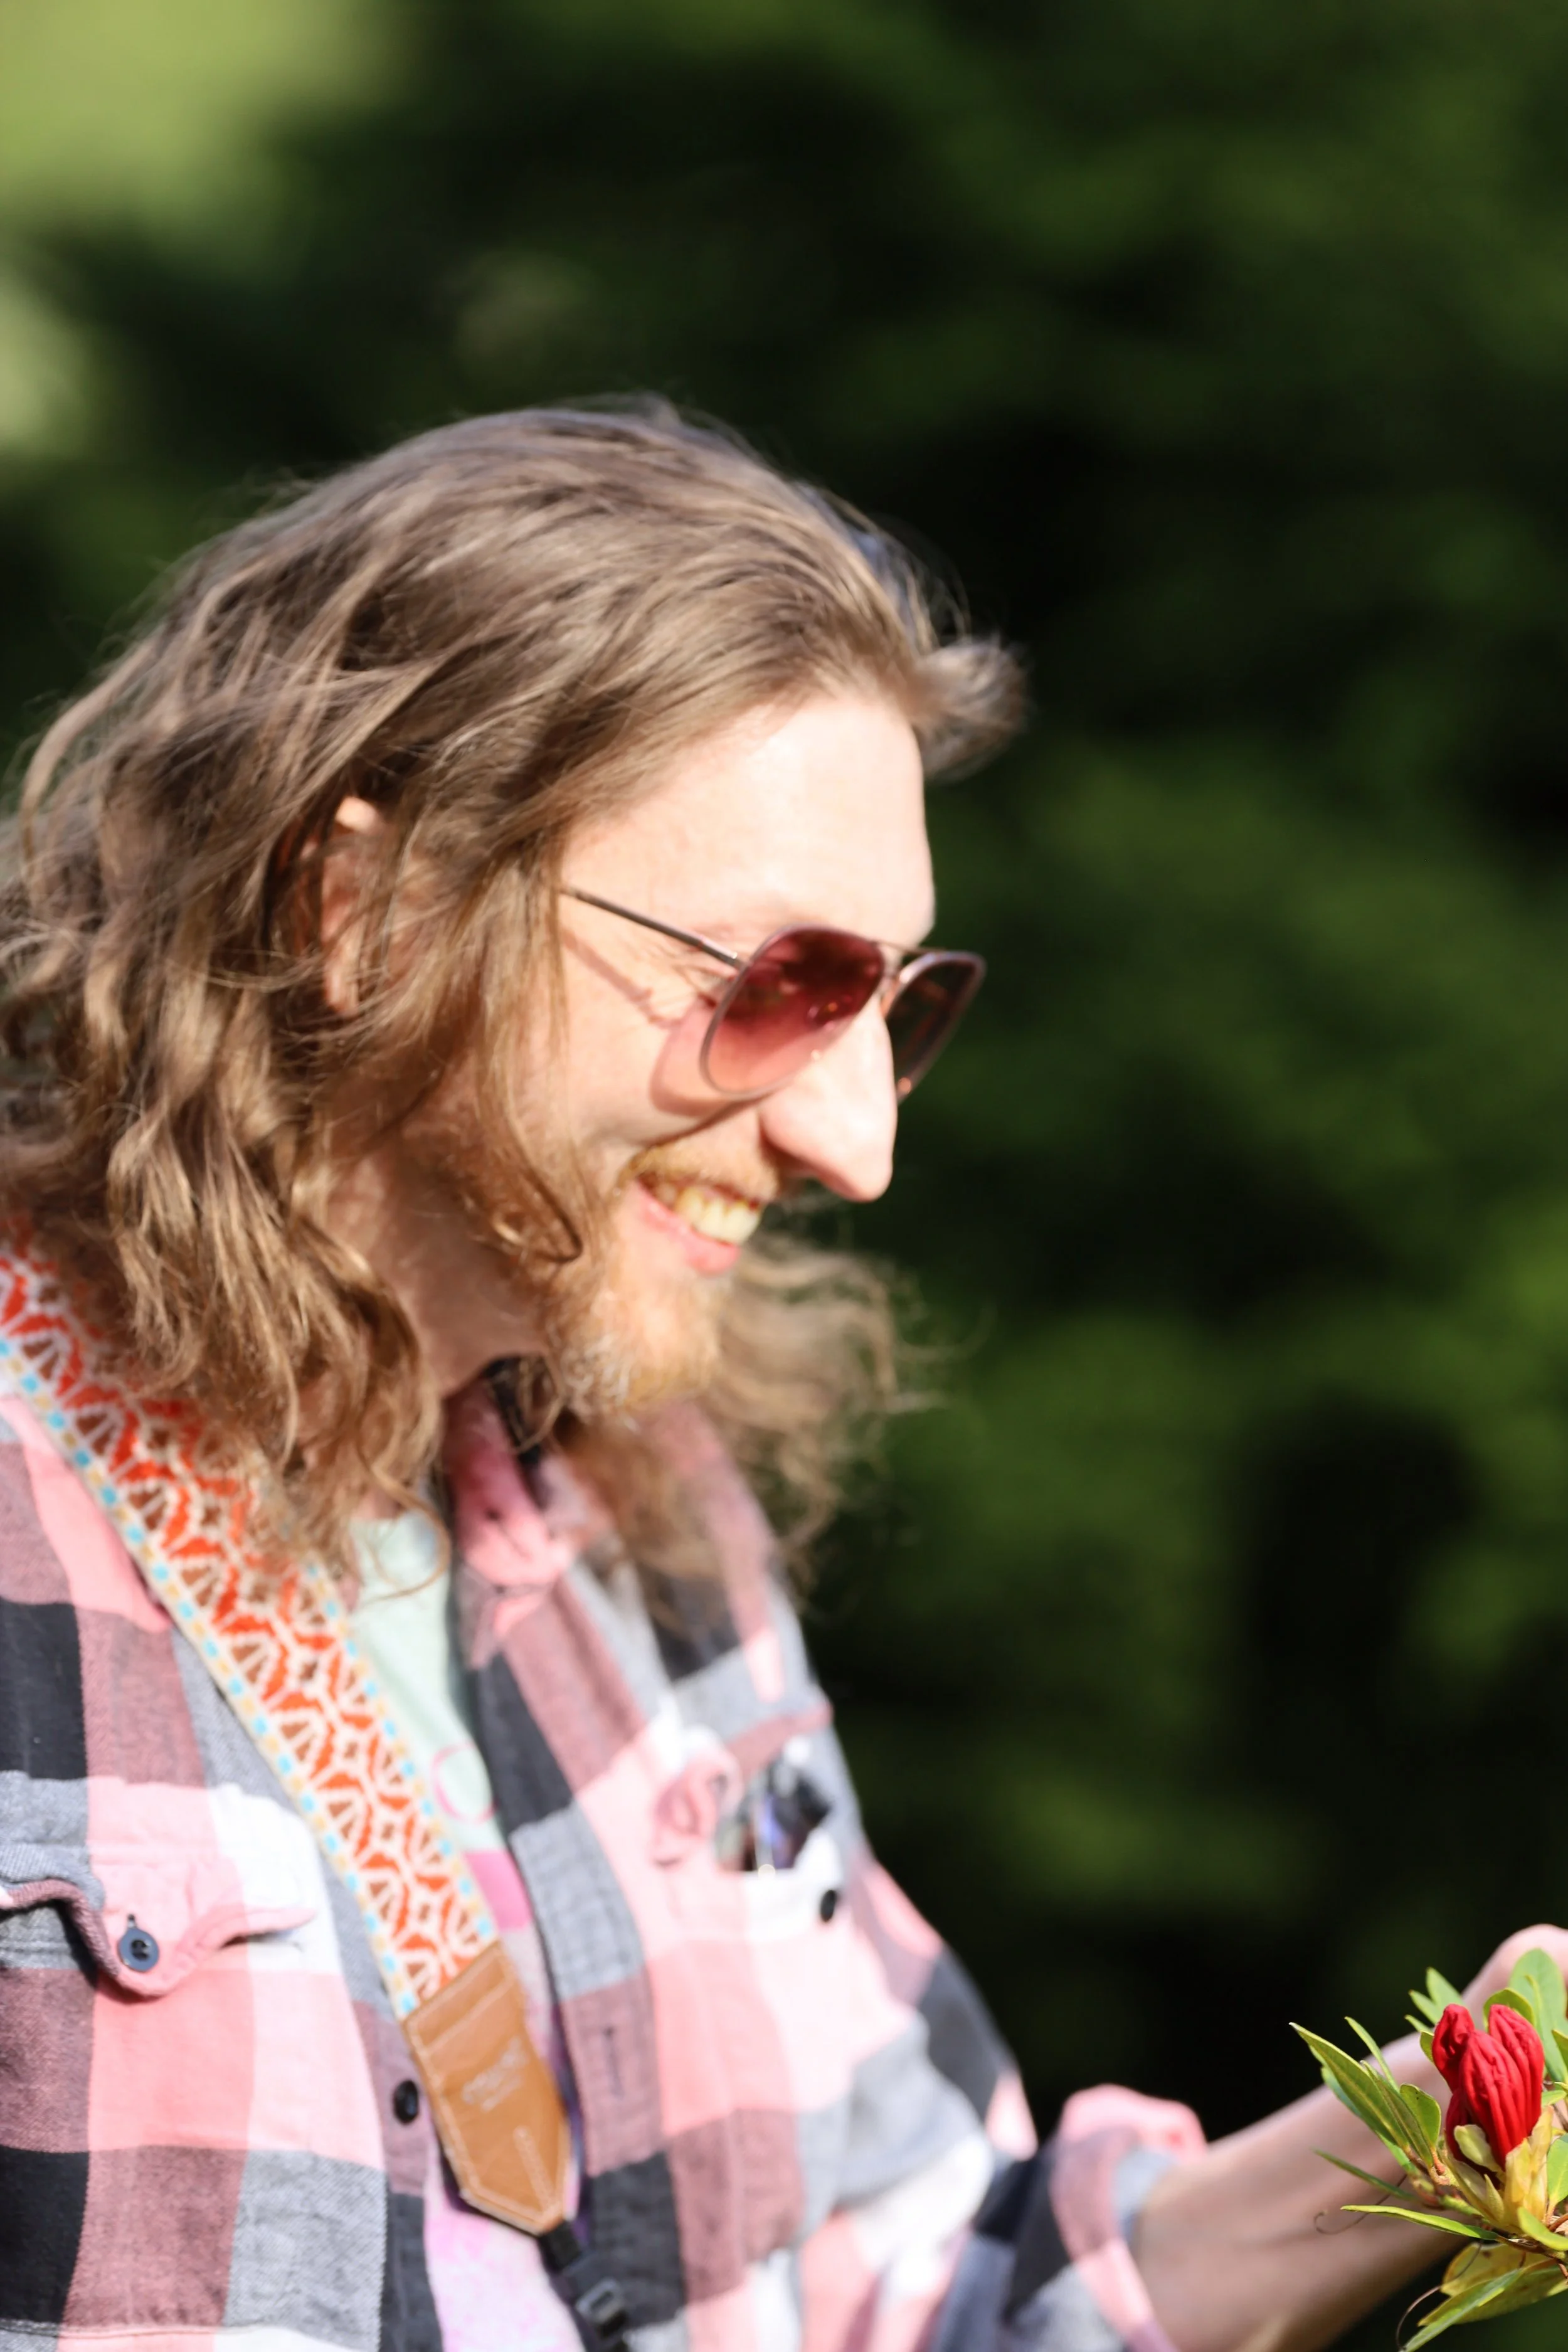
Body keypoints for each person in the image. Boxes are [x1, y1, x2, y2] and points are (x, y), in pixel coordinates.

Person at [0, 403, 1559, 2352]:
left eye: (900, 1007)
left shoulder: (638, 1510)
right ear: (365, 911)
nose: (855, 1143)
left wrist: (1467, 2118)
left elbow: (908, 2283)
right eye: (779, 982)